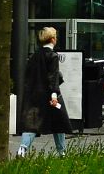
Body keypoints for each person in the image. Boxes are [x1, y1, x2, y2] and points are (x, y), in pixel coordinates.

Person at [17, 26, 72, 158]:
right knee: (59, 122)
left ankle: (22, 150)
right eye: (55, 37)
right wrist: (54, 95)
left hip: (34, 95)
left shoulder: (34, 56)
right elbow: (53, 77)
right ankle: (62, 152)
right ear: (52, 39)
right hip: (49, 95)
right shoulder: (53, 56)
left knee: (32, 124)